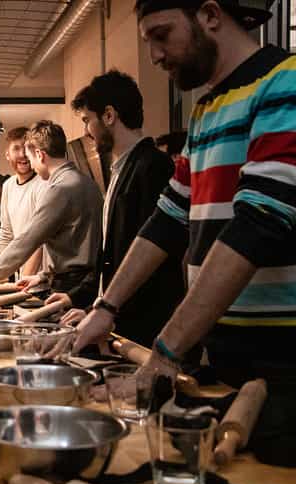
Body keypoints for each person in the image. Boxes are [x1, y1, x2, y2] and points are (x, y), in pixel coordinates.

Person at [74, 0, 296, 404]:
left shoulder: (290, 82)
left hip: (291, 355)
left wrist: (166, 351)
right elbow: (166, 219)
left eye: (162, 36)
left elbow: (259, 220)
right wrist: (105, 308)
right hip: (225, 346)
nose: (155, 55)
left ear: (210, 15)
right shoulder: (207, 109)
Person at [59, 70, 184, 347]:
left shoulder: (152, 166)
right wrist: (92, 306)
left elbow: (149, 253)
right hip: (116, 318)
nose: (86, 132)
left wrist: (107, 311)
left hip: (143, 327)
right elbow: (111, 258)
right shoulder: (121, 168)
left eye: (87, 121)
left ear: (109, 116)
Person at [0, 121, 103, 311]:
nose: (32, 166)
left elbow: (28, 240)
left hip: (71, 286)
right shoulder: (85, 182)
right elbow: (75, 243)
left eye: (30, 157)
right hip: (84, 283)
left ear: (40, 154)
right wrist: (43, 276)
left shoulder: (59, 189)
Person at [0, 127, 46, 277]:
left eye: (27, 148)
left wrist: (25, 280)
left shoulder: (43, 182)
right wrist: (1, 274)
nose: (22, 154)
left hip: (41, 279)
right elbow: (6, 233)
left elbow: (41, 238)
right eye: (16, 148)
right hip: (21, 278)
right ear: (7, 154)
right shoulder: (8, 185)